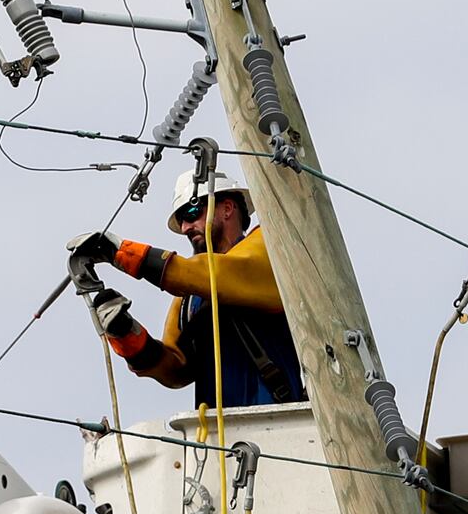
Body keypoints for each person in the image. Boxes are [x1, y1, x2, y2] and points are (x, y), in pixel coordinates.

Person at [68, 169, 305, 408]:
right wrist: (127, 335)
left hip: (282, 419)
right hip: (219, 432)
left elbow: (218, 273)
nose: (185, 227)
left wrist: (120, 252)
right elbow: (175, 368)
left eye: (192, 213)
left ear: (227, 208)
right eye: (181, 220)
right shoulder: (188, 298)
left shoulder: (270, 248)